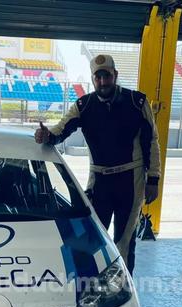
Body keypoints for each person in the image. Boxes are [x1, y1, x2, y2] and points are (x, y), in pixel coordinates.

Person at [35, 54, 161, 275]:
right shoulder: (83, 105)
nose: (103, 82)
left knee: (124, 242)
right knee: (93, 238)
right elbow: (60, 129)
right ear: (93, 78)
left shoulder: (137, 102)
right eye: (98, 77)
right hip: (99, 183)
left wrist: (153, 179)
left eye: (107, 76)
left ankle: (122, 288)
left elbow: (151, 141)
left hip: (131, 182)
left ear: (115, 75)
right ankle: (93, 286)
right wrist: (47, 135)